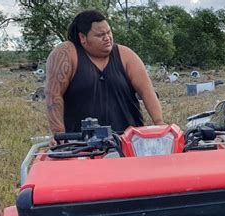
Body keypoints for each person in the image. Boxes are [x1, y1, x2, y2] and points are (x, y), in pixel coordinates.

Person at [45, 10, 164, 139]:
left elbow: (147, 92)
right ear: (82, 38)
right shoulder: (66, 54)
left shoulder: (125, 55)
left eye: (109, 32)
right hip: (81, 143)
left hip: (128, 141)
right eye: (100, 35)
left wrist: (159, 123)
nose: (107, 38)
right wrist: (59, 134)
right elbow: (53, 94)